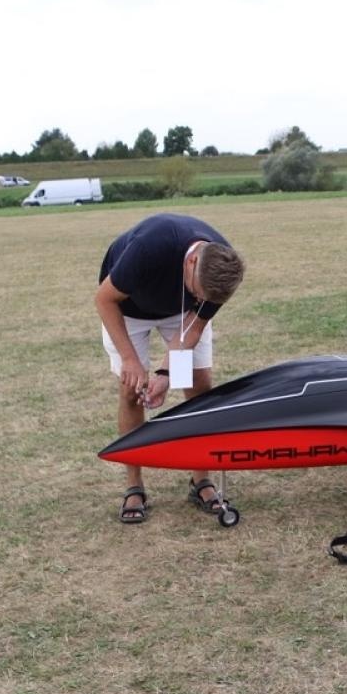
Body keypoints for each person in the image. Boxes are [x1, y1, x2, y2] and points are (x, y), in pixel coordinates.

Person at [95, 213, 245, 524]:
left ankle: (200, 479)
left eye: (207, 298)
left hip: (180, 314)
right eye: (198, 292)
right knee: (132, 390)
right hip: (127, 308)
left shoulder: (220, 275)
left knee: (199, 385)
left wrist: (166, 375)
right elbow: (104, 299)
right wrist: (131, 360)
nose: (202, 299)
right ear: (191, 264)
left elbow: (192, 329)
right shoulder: (150, 247)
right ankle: (134, 485)